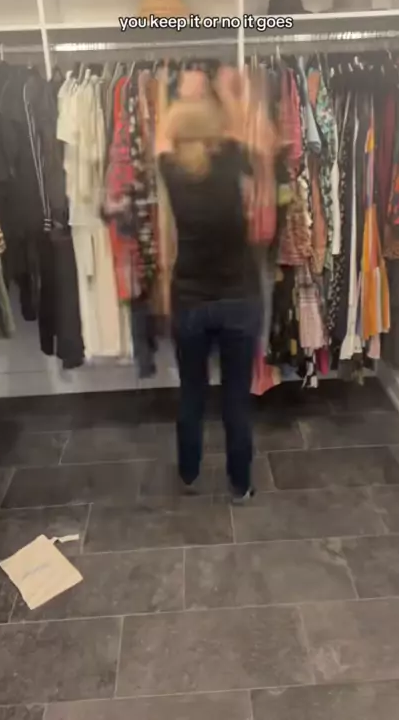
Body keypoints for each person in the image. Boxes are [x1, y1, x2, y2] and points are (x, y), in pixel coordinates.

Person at [155, 66, 266, 502]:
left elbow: (161, 138)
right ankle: (240, 484)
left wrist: (173, 98)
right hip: (239, 298)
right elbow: (237, 129)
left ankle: (189, 474)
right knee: (236, 398)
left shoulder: (171, 170)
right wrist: (226, 90)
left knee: (192, 393)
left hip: (191, 300)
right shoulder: (230, 160)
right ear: (215, 131)